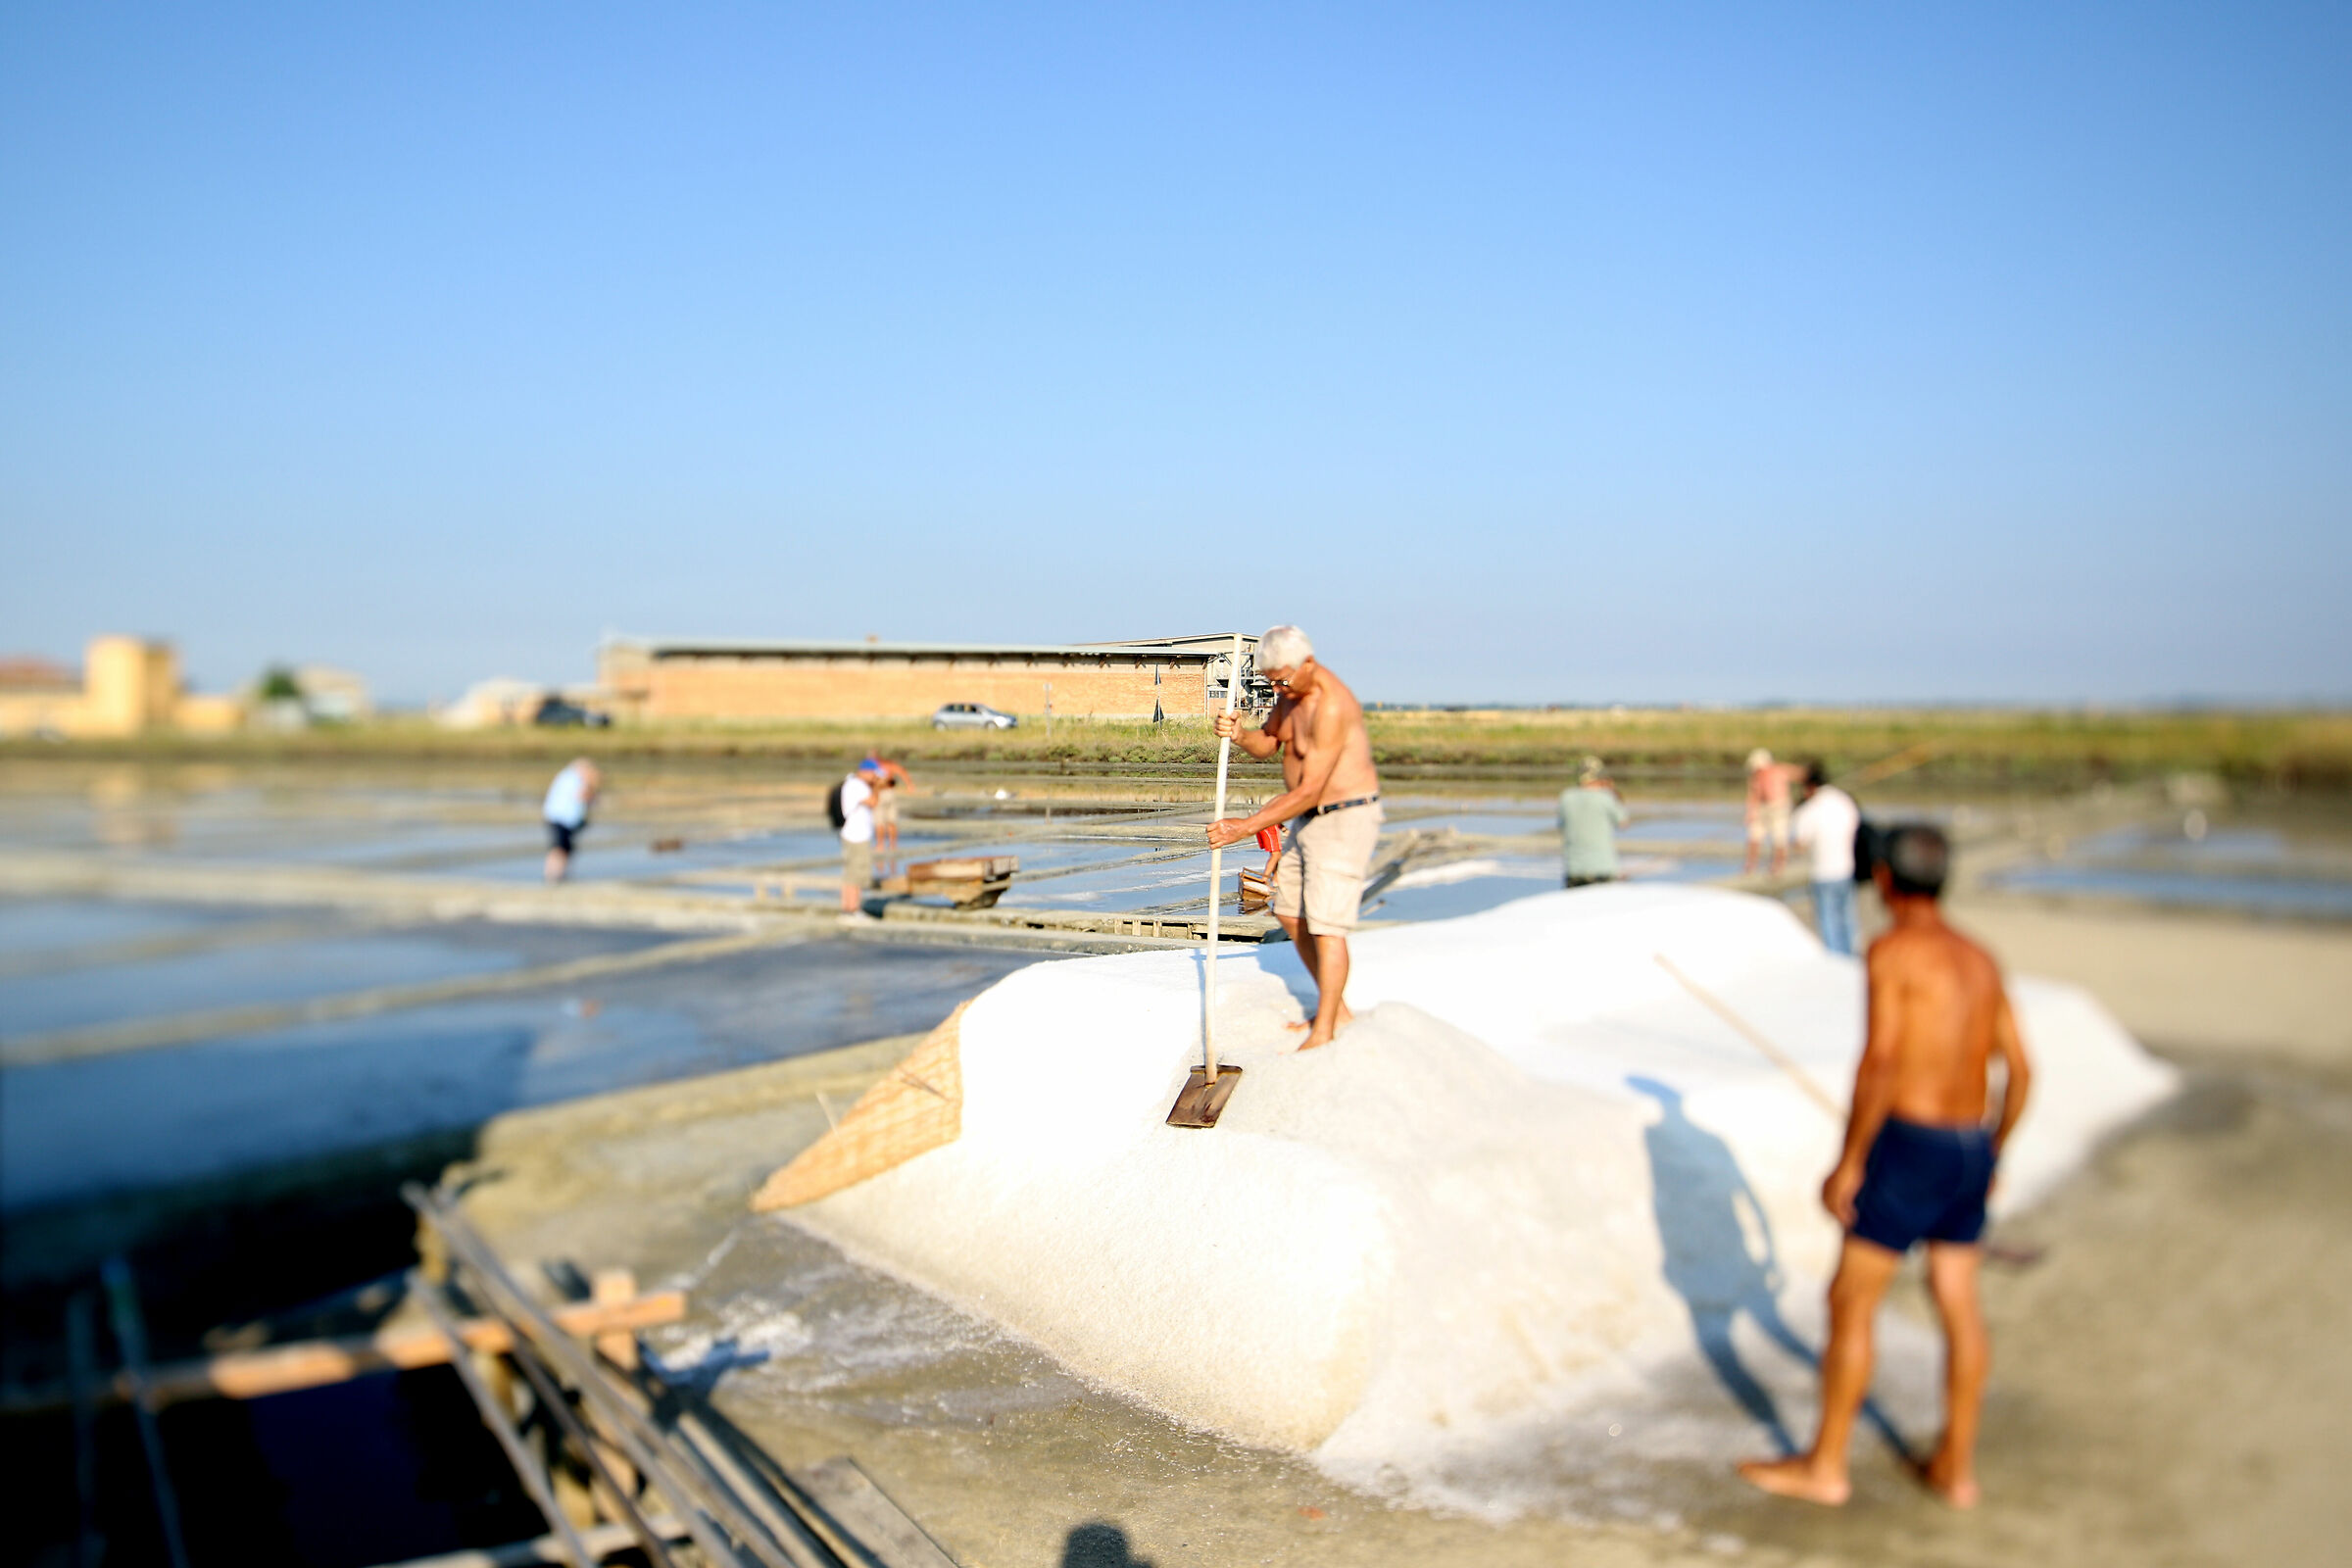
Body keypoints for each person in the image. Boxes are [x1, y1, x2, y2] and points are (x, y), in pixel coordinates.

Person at [1739, 826, 2033, 1511]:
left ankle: (1826, 1467)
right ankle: (1955, 1471)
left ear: (1886, 881)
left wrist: (1849, 1162)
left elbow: (1880, 1062)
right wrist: (1995, 1148)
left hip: (1910, 1145)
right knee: (1959, 1304)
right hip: (1967, 1146)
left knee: (1851, 1301)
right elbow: (2020, 1069)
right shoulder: (1980, 959)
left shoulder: (1894, 950)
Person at [1206, 625, 1383, 1051]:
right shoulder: (1290, 695)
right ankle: (1334, 1009)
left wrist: (1245, 826)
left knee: (1326, 926)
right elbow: (1269, 742)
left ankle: (1325, 1029)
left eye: (1282, 679)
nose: (1277, 688)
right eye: (1270, 681)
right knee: (1289, 912)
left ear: (1309, 663)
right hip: (1307, 817)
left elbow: (1310, 788)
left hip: (1344, 818)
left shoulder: (1332, 706)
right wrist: (1240, 733)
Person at [1790, 761, 1862, 956]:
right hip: (1847, 870)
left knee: (1829, 923)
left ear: (1809, 787)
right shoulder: (1844, 801)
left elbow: (1799, 844)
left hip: (1823, 873)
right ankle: (1850, 958)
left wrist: (1796, 811)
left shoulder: (1810, 809)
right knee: (1847, 920)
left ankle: (1836, 965)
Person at [1558, 755, 1628, 888]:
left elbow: (1562, 826)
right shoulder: (1606, 798)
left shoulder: (1566, 797)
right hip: (1603, 871)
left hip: (1574, 871)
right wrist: (1612, 790)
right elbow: (1623, 823)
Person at [1743, 748, 1805, 876]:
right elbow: (1753, 795)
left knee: (1779, 838)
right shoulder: (1755, 776)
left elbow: (1802, 775)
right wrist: (1750, 812)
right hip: (1762, 808)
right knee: (1754, 837)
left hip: (1779, 808)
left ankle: (1778, 866)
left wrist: (1803, 796)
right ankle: (1750, 866)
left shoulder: (1780, 770)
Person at [541, 758, 601, 884]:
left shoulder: (566, 776)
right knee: (560, 848)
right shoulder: (574, 779)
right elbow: (582, 796)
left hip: (559, 818)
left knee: (564, 848)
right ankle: (553, 877)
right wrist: (593, 793)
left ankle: (556, 875)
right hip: (560, 818)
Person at [837, 759, 883, 917]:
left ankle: (849, 908)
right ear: (866, 771)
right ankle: (852, 909)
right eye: (874, 775)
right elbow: (873, 802)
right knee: (855, 874)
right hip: (856, 836)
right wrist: (877, 787)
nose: (875, 778)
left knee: (852, 873)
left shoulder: (852, 783)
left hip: (854, 834)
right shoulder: (858, 785)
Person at [864, 753, 911, 863]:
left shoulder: (878, 767)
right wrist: (909, 784)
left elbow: (899, 772)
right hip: (889, 793)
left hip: (881, 794)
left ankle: (881, 845)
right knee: (890, 820)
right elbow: (901, 771)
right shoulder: (889, 765)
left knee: (881, 821)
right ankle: (892, 845)